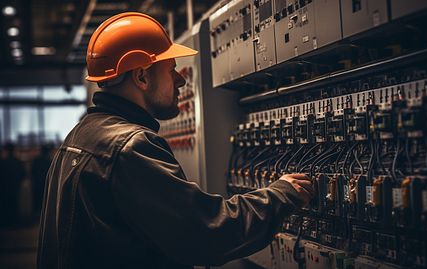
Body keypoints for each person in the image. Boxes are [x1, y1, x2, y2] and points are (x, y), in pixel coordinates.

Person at [37, 12, 314, 269]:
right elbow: (207, 233)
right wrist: (280, 195)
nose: (181, 81)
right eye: (171, 69)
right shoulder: (130, 148)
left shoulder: (79, 136)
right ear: (142, 77)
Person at [0, 143, 26, 227]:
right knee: (14, 204)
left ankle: (6, 222)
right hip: (15, 187)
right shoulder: (17, 162)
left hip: (4, 188)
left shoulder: (3, 162)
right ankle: (14, 222)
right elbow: (23, 174)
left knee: (5, 204)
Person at [30, 144, 52, 216]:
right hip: (46, 183)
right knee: (45, 200)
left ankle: (37, 214)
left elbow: (32, 171)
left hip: (37, 183)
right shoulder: (49, 160)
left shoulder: (36, 160)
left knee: (37, 200)